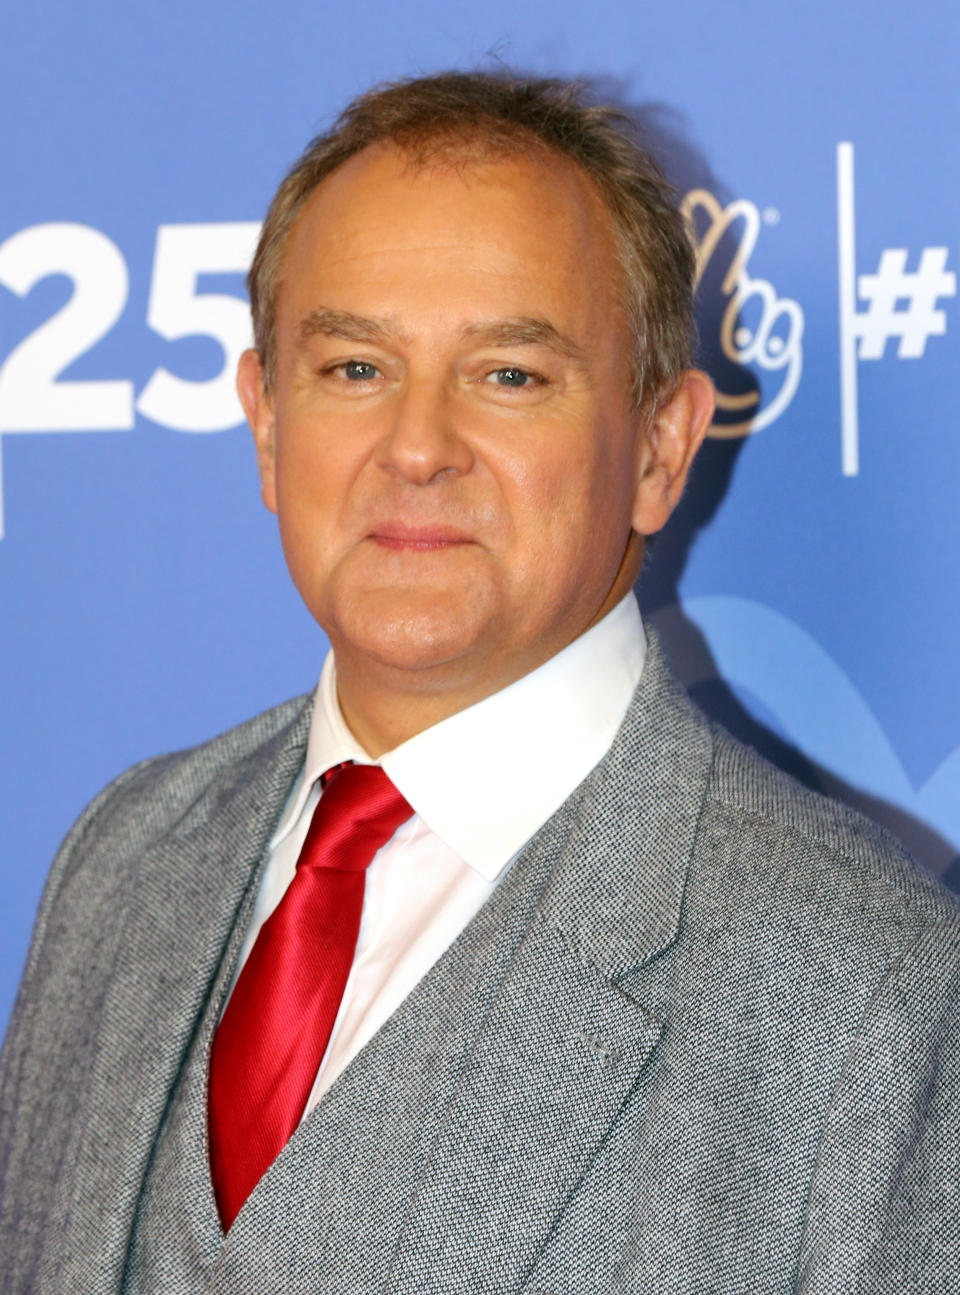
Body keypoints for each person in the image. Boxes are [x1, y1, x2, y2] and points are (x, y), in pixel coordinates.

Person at [1, 71, 957, 1294]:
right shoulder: (122, 860)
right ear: (266, 423)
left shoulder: (876, 997)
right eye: (353, 367)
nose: (415, 446)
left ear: (661, 449)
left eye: (509, 374)